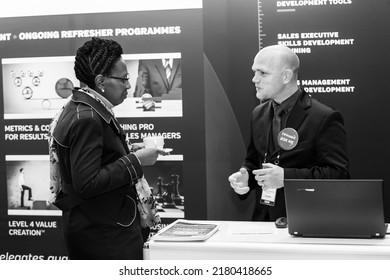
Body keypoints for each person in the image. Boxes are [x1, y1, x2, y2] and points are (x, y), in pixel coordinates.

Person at [48, 37, 167, 260]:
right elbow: (87, 182)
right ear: (101, 80)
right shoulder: (88, 118)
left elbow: (95, 160)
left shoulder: (81, 106)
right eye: (124, 79)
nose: (129, 85)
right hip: (104, 237)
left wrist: (128, 150)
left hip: (98, 227)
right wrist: (136, 161)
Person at [228, 45, 350, 221]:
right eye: (254, 72)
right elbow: (254, 161)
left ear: (286, 76)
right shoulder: (258, 113)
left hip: (307, 222)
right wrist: (246, 175)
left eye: (263, 73)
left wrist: (286, 177)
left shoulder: (323, 117)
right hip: (264, 221)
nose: (254, 79)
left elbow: (338, 174)